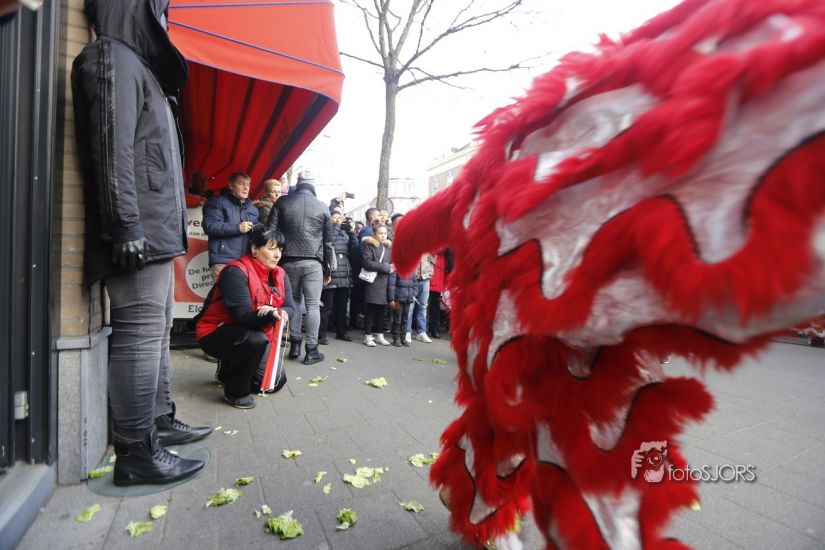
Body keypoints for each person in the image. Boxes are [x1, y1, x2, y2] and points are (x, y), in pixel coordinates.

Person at [71, 0, 210, 486]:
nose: (164, 24)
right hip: (140, 233)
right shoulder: (112, 58)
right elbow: (112, 147)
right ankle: (136, 452)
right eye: (160, 14)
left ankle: (157, 422)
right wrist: (125, 225)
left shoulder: (134, 66)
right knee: (140, 337)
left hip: (153, 232)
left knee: (154, 334)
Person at [196, 226, 296, 408]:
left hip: (258, 333)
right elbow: (242, 316)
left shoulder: (281, 274)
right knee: (254, 339)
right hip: (216, 331)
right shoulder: (236, 271)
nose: (277, 255)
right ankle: (235, 392)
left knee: (273, 383)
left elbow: (290, 307)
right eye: (271, 248)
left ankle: (227, 370)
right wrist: (270, 314)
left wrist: (278, 312)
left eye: (280, 249)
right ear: (254, 249)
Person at [266, 170, 333, 364]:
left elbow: (270, 233)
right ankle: (311, 350)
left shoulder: (282, 202)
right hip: (313, 262)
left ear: (298, 182)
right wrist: (328, 269)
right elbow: (328, 243)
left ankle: (294, 345)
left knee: (293, 302)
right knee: (313, 305)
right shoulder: (323, 207)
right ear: (313, 185)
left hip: (287, 261)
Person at [203, 172, 259, 282]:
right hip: (223, 260)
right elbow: (210, 226)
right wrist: (237, 228)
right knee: (223, 293)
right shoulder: (216, 203)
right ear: (231, 186)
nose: (246, 187)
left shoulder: (253, 209)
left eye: (248, 185)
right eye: (241, 184)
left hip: (246, 262)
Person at [319, 211, 358, 343]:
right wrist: (336, 225)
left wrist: (352, 231)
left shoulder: (345, 233)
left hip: (345, 274)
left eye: (340, 218)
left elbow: (355, 248)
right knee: (326, 308)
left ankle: (342, 332)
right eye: (335, 217)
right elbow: (329, 242)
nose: (338, 220)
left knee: (342, 308)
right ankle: (321, 335)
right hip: (331, 273)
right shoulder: (325, 231)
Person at [360, 224, 392, 347]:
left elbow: (392, 264)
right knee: (370, 310)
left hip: (384, 282)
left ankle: (379, 335)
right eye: (380, 233)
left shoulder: (388, 247)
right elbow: (367, 263)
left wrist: (390, 267)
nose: (383, 236)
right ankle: (367, 336)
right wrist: (385, 267)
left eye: (385, 233)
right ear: (374, 234)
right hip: (372, 282)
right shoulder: (369, 246)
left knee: (382, 310)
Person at [388, 268, 417, 347]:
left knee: (405, 320)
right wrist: (391, 299)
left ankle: (403, 338)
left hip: (407, 300)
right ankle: (396, 339)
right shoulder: (396, 270)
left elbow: (415, 284)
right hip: (397, 300)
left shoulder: (412, 271)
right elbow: (391, 286)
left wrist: (414, 294)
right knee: (397, 319)